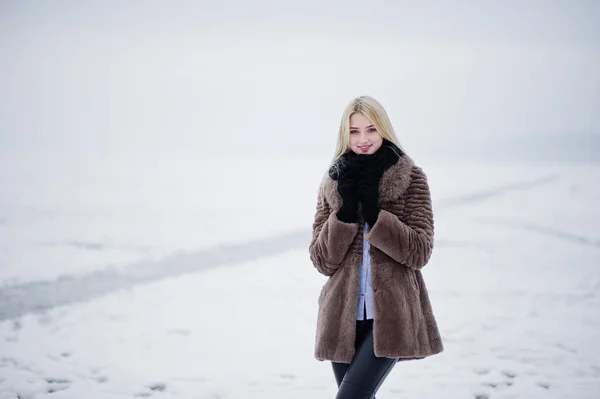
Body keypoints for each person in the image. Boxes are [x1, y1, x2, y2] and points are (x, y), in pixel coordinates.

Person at [309, 96, 443, 399]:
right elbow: (322, 261)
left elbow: (420, 252)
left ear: (383, 129)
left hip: (392, 316)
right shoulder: (332, 183)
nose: (364, 139)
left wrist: (375, 217)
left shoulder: (410, 178)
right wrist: (343, 216)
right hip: (341, 316)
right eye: (355, 132)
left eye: (371, 129)